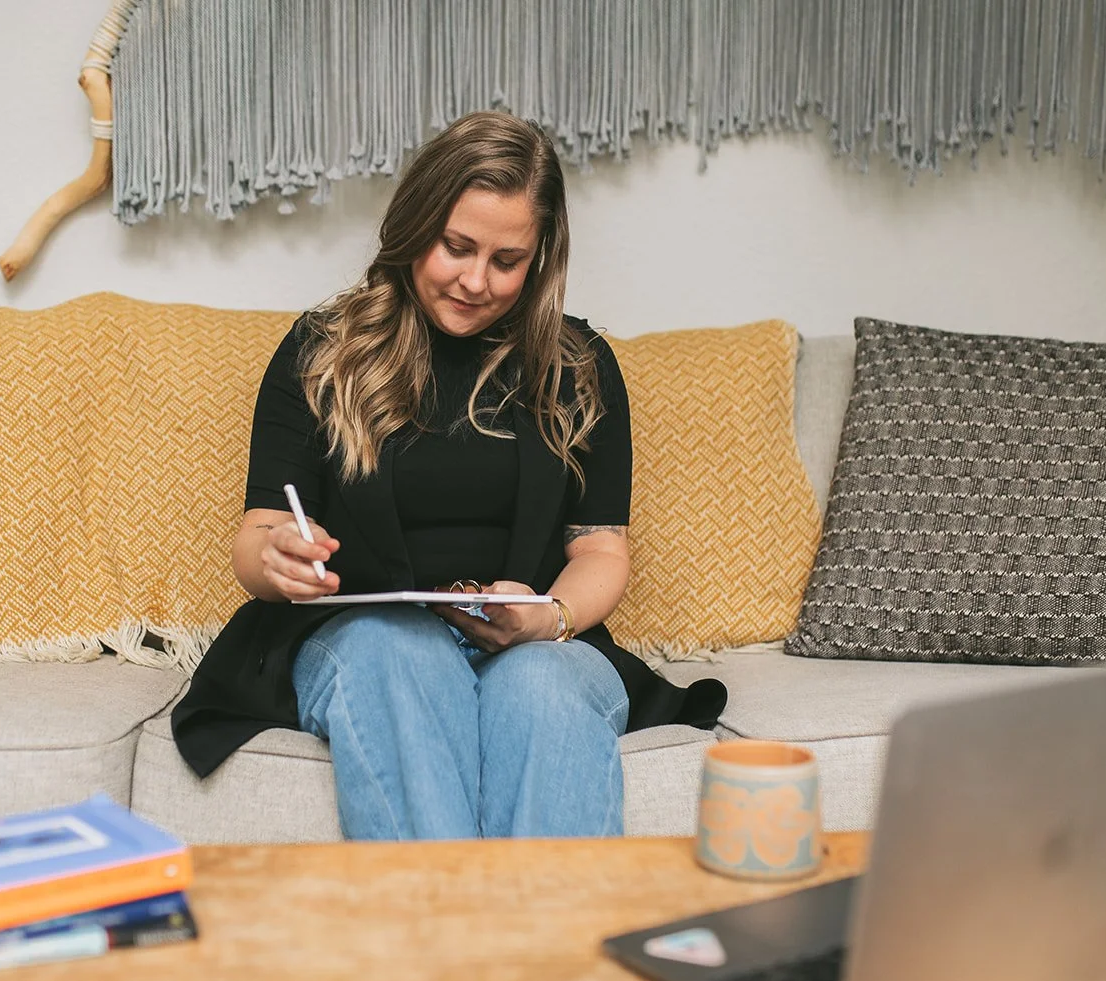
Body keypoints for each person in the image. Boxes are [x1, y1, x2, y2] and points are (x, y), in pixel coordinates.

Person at [169, 110, 726, 840]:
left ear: (540, 258)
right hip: (361, 636)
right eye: (456, 246)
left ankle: (547, 949)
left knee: (544, 684)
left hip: (538, 642)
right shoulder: (321, 350)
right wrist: (277, 559)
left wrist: (549, 619)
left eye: (506, 260)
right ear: (416, 223)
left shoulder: (579, 367)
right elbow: (259, 536)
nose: (474, 280)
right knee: (399, 651)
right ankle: (448, 944)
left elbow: (600, 550)